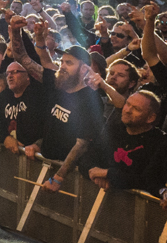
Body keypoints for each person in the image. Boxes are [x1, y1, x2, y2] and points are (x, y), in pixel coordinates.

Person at [8, 18, 102, 190]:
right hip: (45, 162)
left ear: (84, 69)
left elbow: (82, 144)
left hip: (69, 176)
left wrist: (59, 177)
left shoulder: (90, 100)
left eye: (69, 63)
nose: (62, 66)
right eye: (62, 61)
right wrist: (15, 31)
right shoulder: (56, 82)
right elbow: (21, 57)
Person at [86, 89, 167, 192]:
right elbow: (87, 158)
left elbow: (146, 179)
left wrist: (109, 174)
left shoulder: (160, 143)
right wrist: (96, 175)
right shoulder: (113, 130)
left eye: (136, 109)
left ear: (150, 118)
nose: (127, 110)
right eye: (127, 104)